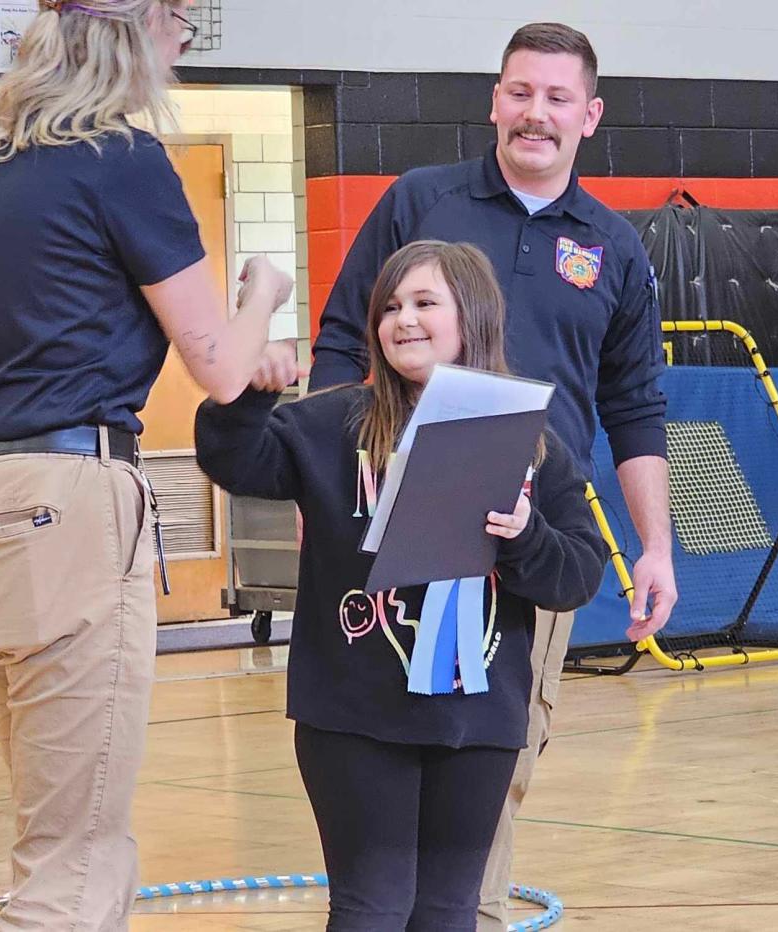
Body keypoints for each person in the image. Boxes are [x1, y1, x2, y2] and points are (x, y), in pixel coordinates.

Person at [0, 2, 293, 929]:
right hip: (62, 505)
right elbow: (217, 366)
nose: (180, 54)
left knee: (63, 824)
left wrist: (243, 347)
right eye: (176, 31)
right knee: (72, 859)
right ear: (134, 43)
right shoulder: (122, 161)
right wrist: (263, 294)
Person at [305, 23, 678, 929]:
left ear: (589, 116)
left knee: (496, 759)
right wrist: (337, 483)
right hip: (393, 539)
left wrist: (655, 546)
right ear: (494, 101)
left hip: (523, 538)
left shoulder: (614, 249)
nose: (535, 114)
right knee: (375, 764)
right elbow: (338, 346)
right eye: (520, 92)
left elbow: (634, 409)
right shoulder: (419, 200)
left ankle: (458, 915)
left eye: (557, 98)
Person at [196, 241, 609, 931]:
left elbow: (579, 572)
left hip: (478, 721)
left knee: (449, 912)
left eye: (424, 304)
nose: (403, 320)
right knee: (374, 907)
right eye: (390, 306)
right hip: (357, 717)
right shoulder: (334, 423)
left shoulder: (531, 442)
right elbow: (237, 461)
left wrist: (528, 535)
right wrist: (249, 397)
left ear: (471, 318)